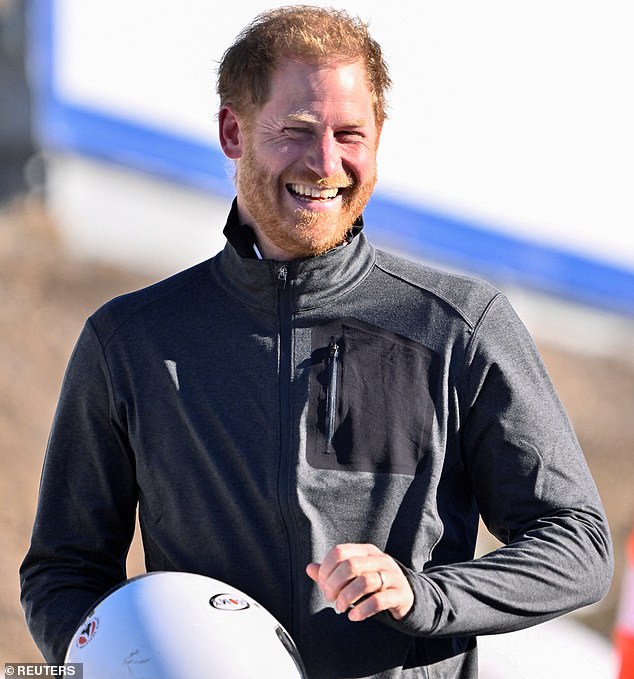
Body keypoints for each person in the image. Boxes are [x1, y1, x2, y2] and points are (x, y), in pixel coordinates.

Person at [21, 6, 613, 678]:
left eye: (349, 134)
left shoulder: (458, 325)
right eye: (296, 131)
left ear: (379, 138)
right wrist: (117, 660)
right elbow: (63, 571)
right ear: (232, 131)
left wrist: (427, 595)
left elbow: (577, 546)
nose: (326, 163)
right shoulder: (129, 340)